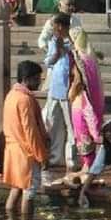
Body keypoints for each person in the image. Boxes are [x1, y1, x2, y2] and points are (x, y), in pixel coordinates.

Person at [3, 61, 50, 215]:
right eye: (37, 79)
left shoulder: (11, 95)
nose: (39, 82)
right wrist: (42, 156)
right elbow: (31, 132)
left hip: (12, 151)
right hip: (26, 154)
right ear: (27, 79)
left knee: (16, 188)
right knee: (29, 193)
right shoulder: (25, 99)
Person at [68, 27, 105, 207]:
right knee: (88, 132)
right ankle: (88, 165)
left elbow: (78, 80)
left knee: (82, 132)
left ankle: (87, 165)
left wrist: (71, 93)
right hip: (91, 100)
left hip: (81, 100)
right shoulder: (90, 55)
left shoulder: (79, 57)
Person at [43, 13, 76, 170]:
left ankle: (72, 159)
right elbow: (48, 61)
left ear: (61, 26)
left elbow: (80, 59)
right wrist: (56, 51)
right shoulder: (52, 41)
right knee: (53, 123)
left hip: (70, 88)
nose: (53, 29)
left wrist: (65, 48)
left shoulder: (74, 40)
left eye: (55, 26)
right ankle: (56, 158)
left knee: (71, 125)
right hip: (55, 87)